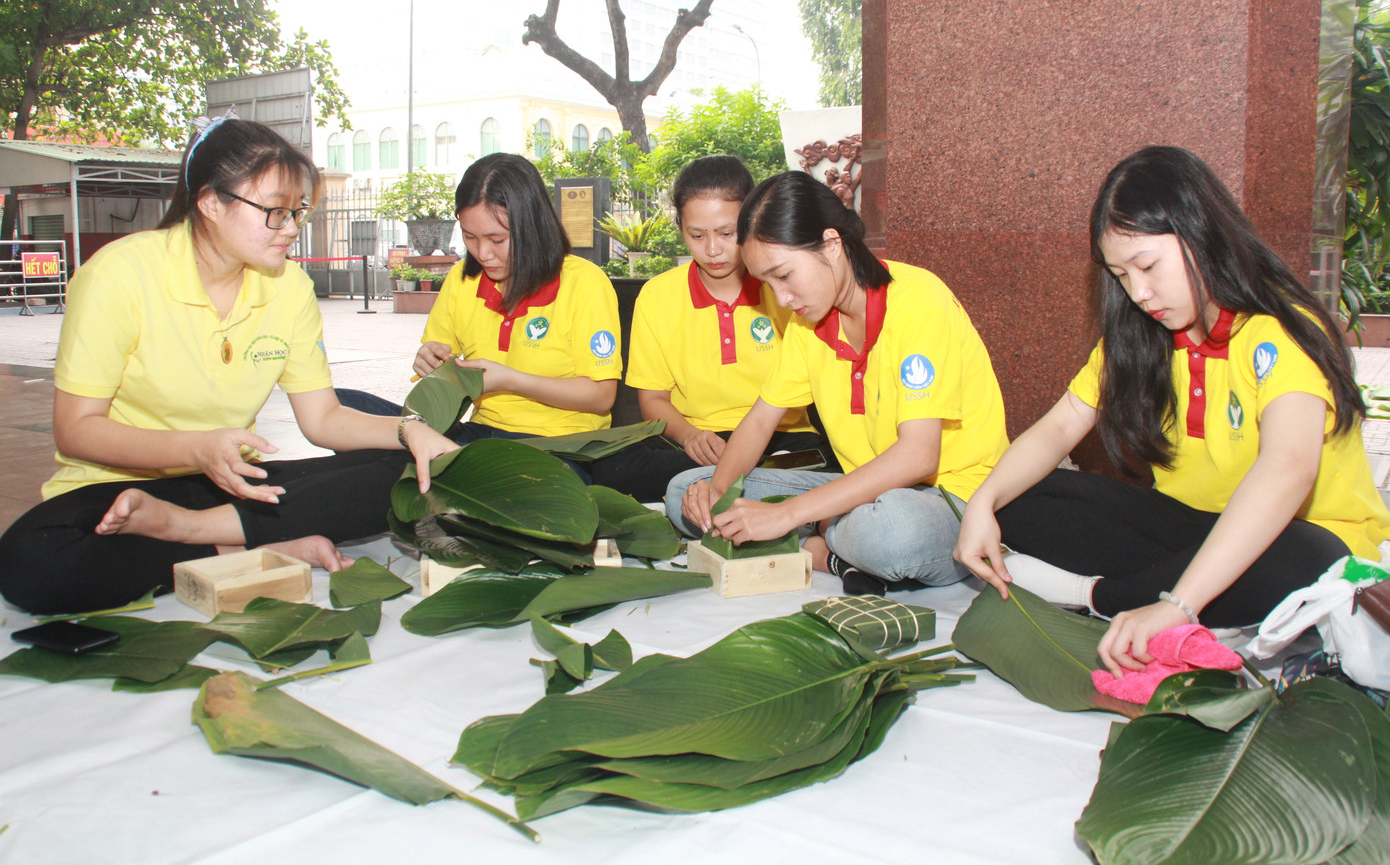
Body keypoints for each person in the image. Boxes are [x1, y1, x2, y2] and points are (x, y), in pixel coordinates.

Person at [953, 145, 1390, 677]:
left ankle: (1109, 600)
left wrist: (1177, 604)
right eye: (1120, 275)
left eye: (1147, 265)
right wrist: (983, 503)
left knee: (1305, 555)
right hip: (1190, 535)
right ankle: (1177, 602)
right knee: (1021, 497)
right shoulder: (1141, 337)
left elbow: (1288, 471)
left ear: (1200, 233)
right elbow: (1062, 425)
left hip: (1301, 538)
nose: (1138, 292)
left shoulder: (1280, 331)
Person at [0, 116, 456, 615]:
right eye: (275, 212)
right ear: (211, 203)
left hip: (228, 486)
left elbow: (324, 420)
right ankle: (251, 545)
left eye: (298, 211)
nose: (293, 228)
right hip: (118, 486)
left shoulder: (289, 287)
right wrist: (195, 449)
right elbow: (76, 431)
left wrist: (408, 431)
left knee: (396, 473)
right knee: (33, 560)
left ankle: (194, 534)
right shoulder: (118, 276)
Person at [670, 171, 1009, 593]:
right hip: (862, 491)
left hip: (949, 498)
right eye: (767, 284)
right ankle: (829, 538)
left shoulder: (919, 301)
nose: (781, 298)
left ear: (831, 244)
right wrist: (717, 493)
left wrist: (788, 513)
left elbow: (920, 456)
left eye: (784, 275)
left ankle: (819, 542)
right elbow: (759, 422)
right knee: (686, 491)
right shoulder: (807, 323)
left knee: (893, 533)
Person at [590, 155, 834, 498]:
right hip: (697, 444)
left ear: (751, 222)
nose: (712, 249)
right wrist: (689, 435)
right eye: (697, 235)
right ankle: (752, 490)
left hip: (782, 439)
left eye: (726, 233)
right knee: (611, 467)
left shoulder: (783, 287)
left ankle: (715, 489)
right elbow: (654, 399)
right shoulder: (658, 295)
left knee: (820, 460)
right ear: (680, 228)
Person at [412, 153, 621, 464]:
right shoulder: (461, 279)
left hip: (563, 444)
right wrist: (430, 362)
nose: (483, 253)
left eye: (497, 239)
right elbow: (442, 374)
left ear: (532, 228)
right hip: (482, 433)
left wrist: (510, 379)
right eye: (470, 237)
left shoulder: (584, 283)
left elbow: (601, 396)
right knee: (362, 417)